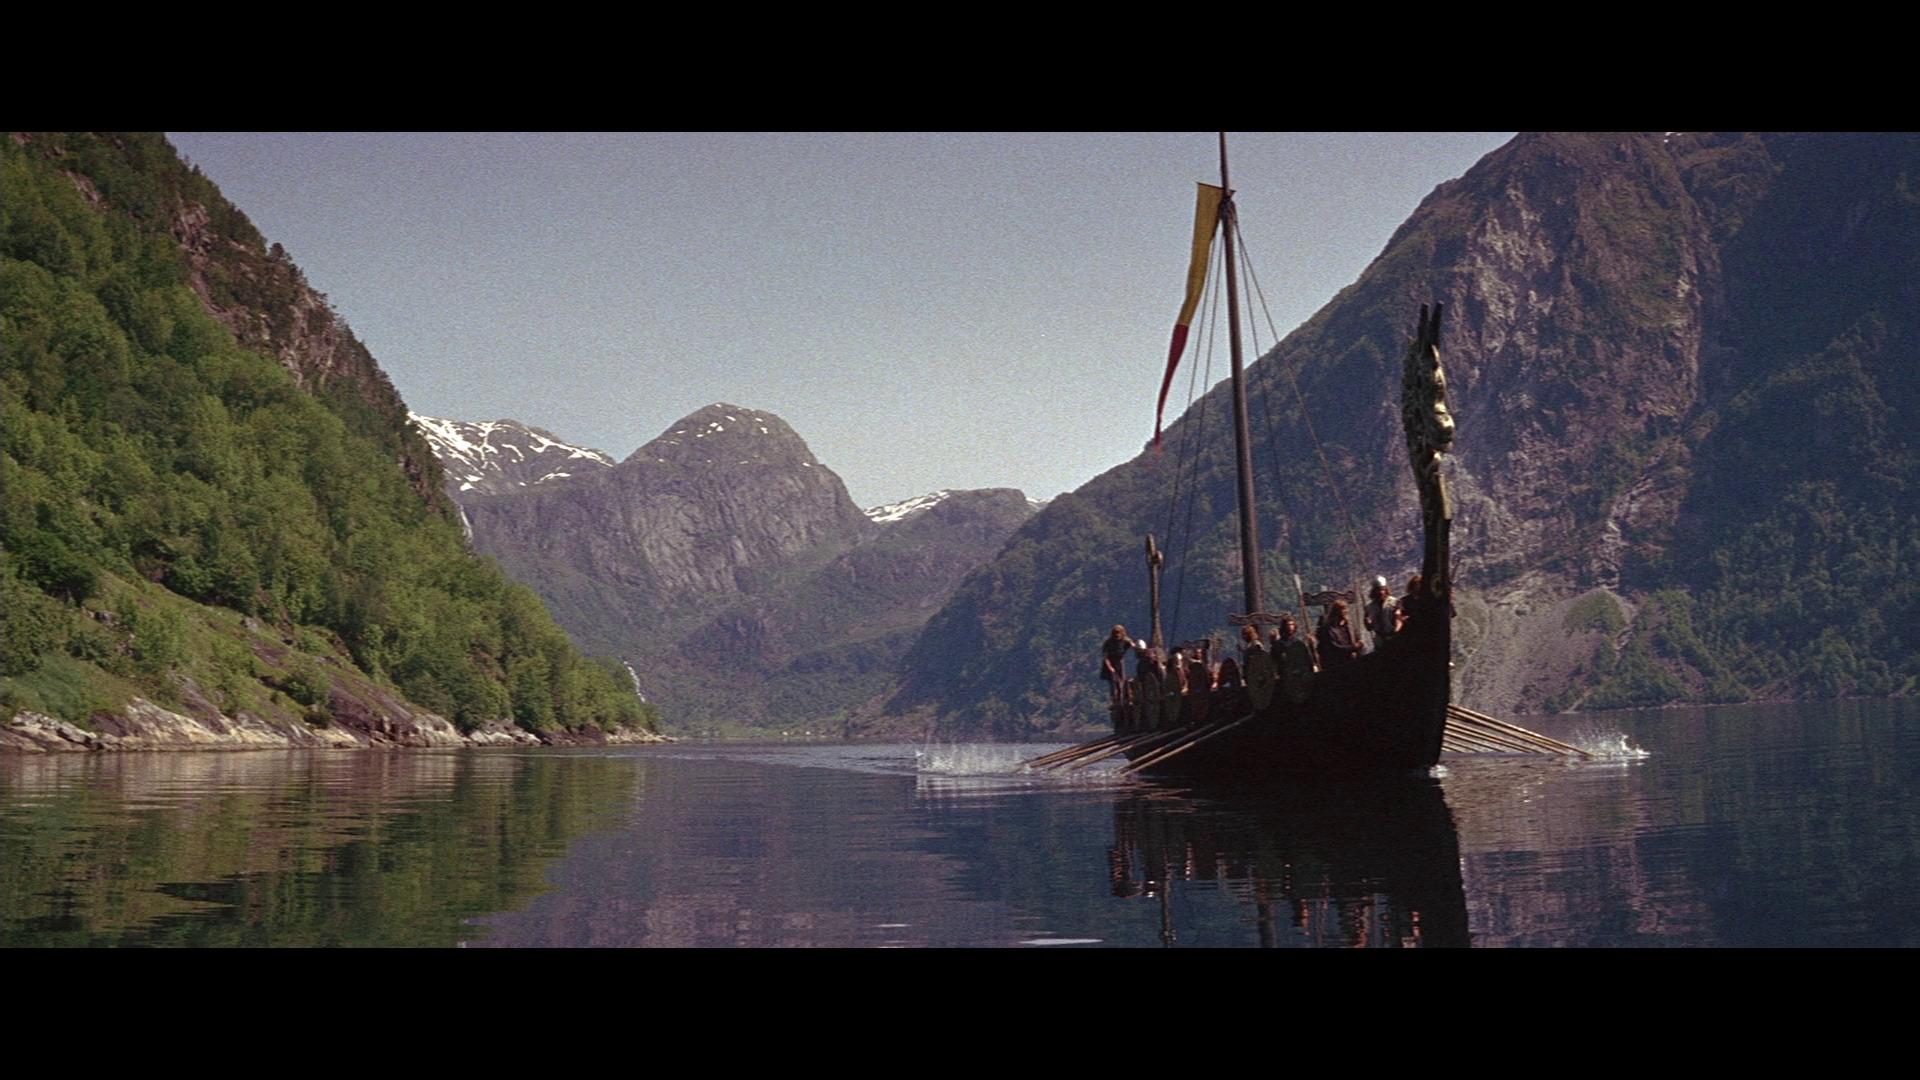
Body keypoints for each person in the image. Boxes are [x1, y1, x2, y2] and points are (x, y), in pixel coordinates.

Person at [1319, 600, 1364, 668]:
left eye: (1346, 609)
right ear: (1336, 612)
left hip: (1351, 659)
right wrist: (1353, 647)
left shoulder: (1350, 626)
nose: (1346, 611)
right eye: (1343, 609)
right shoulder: (1329, 629)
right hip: (1337, 662)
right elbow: (1334, 647)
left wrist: (1359, 645)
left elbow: (1356, 639)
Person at [1364, 575, 1399, 648]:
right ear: (1374, 591)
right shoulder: (1369, 607)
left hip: (1394, 638)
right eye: (1378, 590)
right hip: (1379, 641)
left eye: (1382, 589)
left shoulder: (1395, 602)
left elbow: (1399, 620)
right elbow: (1369, 628)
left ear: (1386, 589)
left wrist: (1396, 632)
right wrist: (1368, 623)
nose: (1381, 592)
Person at [1101, 625, 1134, 703]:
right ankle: (1115, 701)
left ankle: (1123, 699)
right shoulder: (1108, 643)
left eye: (1119, 634)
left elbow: (1133, 646)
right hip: (1110, 663)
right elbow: (1105, 657)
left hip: (1119, 662)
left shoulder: (1125, 640)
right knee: (1113, 683)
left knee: (1122, 681)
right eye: (1115, 634)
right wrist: (1110, 668)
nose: (1117, 636)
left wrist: (1138, 648)